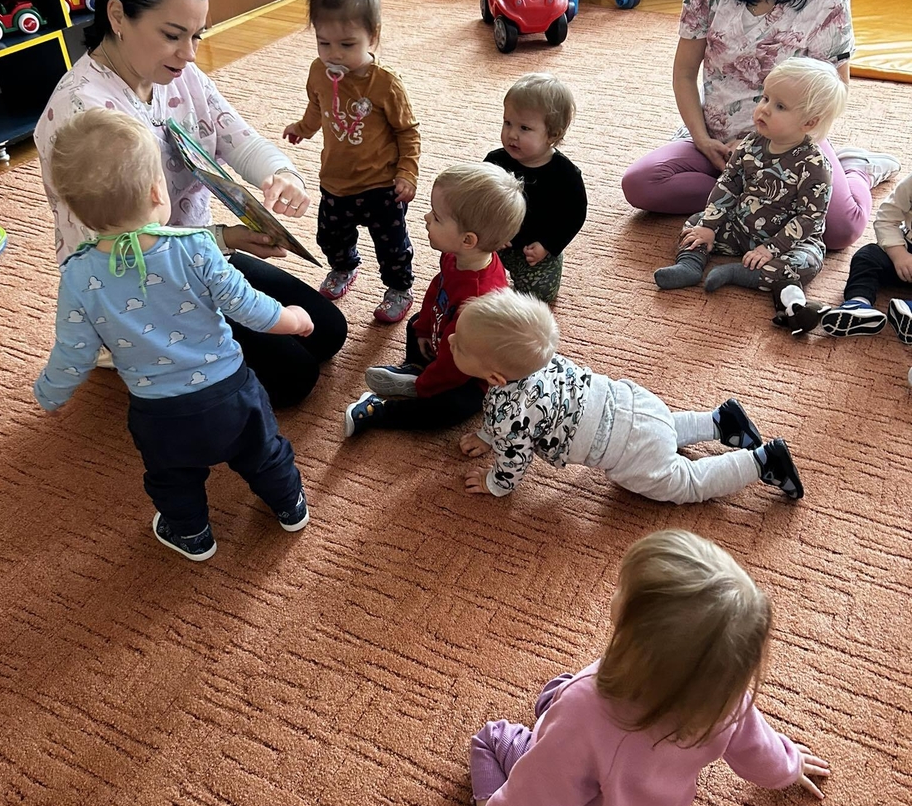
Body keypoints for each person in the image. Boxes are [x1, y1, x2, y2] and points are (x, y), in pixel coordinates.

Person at [419, 529, 830, 806]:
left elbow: (532, 800)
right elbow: (759, 749)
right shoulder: (722, 700)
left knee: (491, 739)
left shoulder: (588, 711)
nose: (616, 590)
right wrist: (789, 766)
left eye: (623, 590)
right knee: (556, 691)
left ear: (637, 640)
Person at [34, 0, 347, 408]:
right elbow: (116, 248)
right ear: (117, 16)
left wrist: (282, 174)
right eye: (173, 34)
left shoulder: (175, 73)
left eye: (196, 36)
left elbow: (235, 135)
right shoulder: (82, 116)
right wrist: (226, 239)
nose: (190, 53)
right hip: (136, 287)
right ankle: (119, 345)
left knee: (327, 331)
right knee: (295, 376)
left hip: (198, 253)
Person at [33, 110, 312, 561]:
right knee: (262, 450)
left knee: (171, 475)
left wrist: (50, 392)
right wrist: (293, 320)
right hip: (230, 391)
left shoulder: (78, 274)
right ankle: (289, 503)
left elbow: (74, 352)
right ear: (156, 191)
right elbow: (247, 306)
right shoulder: (194, 246)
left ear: (73, 210)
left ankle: (192, 534)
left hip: (159, 412)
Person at [621, 0, 899, 251]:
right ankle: (754, 197)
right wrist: (702, 139)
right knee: (641, 185)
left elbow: (833, 96)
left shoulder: (828, 5)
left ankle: (857, 169)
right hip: (715, 139)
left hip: (790, 146)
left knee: (840, 229)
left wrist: (769, 147)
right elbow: (684, 73)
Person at [450, 288, 804, 502]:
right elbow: (504, 420)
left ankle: (762, 462)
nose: (450, 340)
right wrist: (487, 436)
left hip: (626, 451)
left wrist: (495, 483)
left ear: (495, 378)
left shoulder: (509, 414)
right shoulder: (538, 358)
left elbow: (514, 458)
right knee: (662, 428)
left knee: (686, 483)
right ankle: (720, 422)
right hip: (632, 401)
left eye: (460, 345)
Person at [653, 57, 846, 331]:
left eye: (779, 106)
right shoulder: (751, 143)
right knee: (695, 223)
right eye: (765, 98)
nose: (764, 109)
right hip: (741, 228)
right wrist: (709, 226)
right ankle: (691, 264)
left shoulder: (814, 165)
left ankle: (741, 274)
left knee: (805, 264)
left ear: (808, 122)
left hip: (787, 243)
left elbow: (810, 218)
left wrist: (771, 249)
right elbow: (728, 184)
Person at [284, 0, 420, 324]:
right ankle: (344, 267)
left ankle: (399, 288)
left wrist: (407, 172)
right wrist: (303, 128)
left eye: (347, 45)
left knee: (392, 246)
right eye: (323, 43)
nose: (334, 55)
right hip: (336, 180)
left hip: (381, 185)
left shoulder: (385, 84)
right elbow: (317, 106)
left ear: (373, 36)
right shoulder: (318, 72)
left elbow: (407, 131)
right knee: (330, 236)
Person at [343, 163, 525, 436]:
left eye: (437, 218)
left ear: (468, 240)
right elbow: (437, 290)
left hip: (468, 367)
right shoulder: (455, 256)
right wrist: (424, 329)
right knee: (415, 323)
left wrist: (425, 386)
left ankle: (379, 409)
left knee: (451, 407)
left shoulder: (479, 299)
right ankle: (416, 369)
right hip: (446, 338)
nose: (427, 217)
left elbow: (455, 367)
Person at [483, 73, 586, 303]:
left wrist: (548, 245)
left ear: (553, 134)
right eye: (507, 123)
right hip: (496, 241)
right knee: (460, 255)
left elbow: (574, 216)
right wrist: (489, 230)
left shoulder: (566, 175)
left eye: (524, 128)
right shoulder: (495, 162)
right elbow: (480, 200)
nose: (512, 134)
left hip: (535, 250)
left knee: (539, 296)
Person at [820, 169, 912, 343]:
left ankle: (907, 313)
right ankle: (858, 303)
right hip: (905, 250)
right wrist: (899, 254)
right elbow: (887, 217)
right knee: (867, 256)